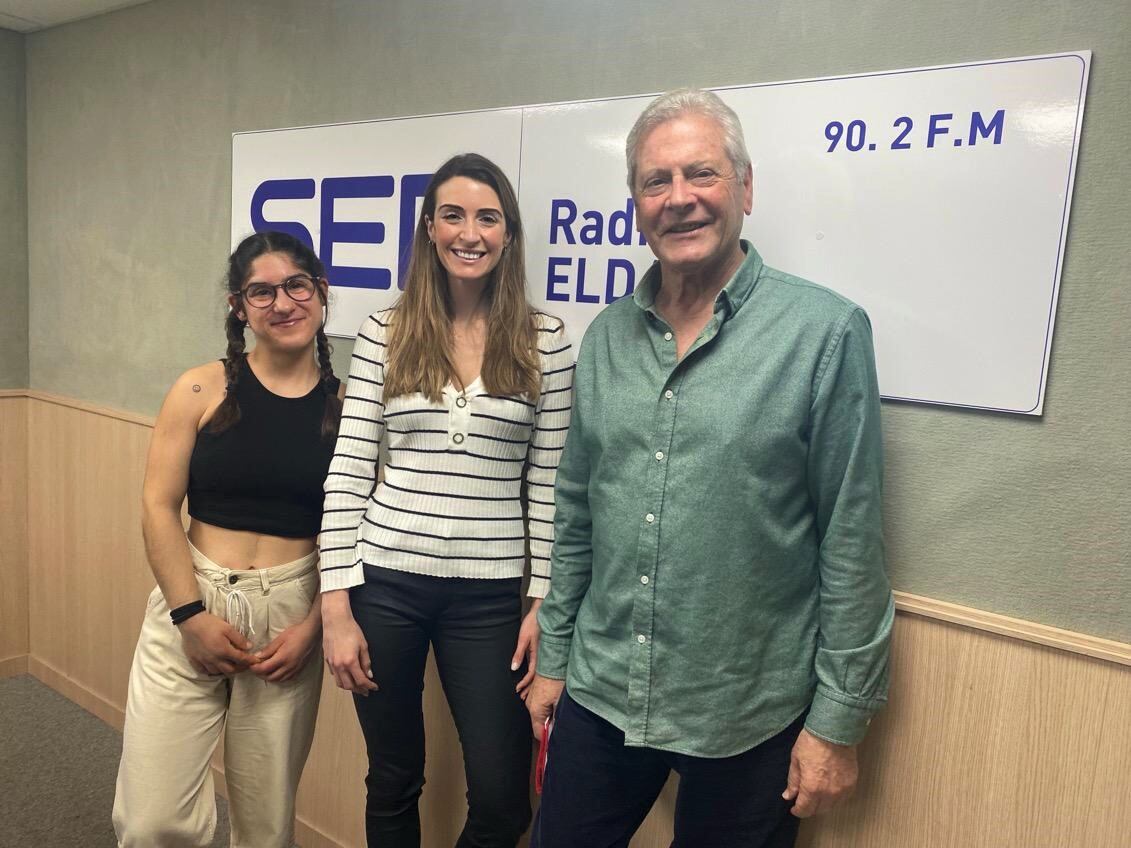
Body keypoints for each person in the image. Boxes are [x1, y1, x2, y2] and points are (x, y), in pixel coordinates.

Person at [527, 89, 894, 848]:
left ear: (745, 188)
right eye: (655, 181)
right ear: (634, 203)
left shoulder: (823, 333)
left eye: (701, 174)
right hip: (601, 689)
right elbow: (575, 515)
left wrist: (837, 723)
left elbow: (850, 541)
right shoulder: (603, 340)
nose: (679, 198)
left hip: (748, 709)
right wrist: (554, 658)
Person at [318, 153, 574, 847]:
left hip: (489, 599)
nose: (470, 232)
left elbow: (550, 484)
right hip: (384, 588)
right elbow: (347, 470)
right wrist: (335, 606)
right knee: (394, 777)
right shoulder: (385, 330)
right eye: (453, 215)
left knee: (500, 798)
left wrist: (543, 601)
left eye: (487, 217)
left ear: (508, 234)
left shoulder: (546, 341)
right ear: (428, 229)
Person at [112, 231, 342, 848]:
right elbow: (158, 507)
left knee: (266, 828)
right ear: (239, 307)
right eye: (260, 292)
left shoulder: (346, 408)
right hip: (193, 597)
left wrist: (315, 627)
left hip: (291, 617)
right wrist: (190, 616)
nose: (282, 303)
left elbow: (355, 537)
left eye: (297, 285)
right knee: (151, 820)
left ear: (321, 294)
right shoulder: (200, 389)